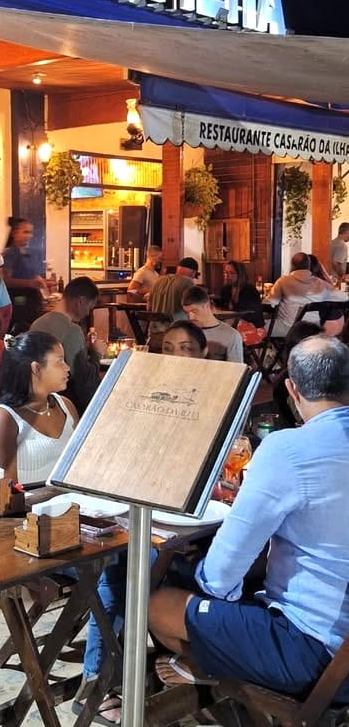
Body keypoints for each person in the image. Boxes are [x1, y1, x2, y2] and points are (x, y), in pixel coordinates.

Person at [149, 336, 349, 704]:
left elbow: (222, 573)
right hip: (334, 643)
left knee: (161, 604)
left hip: (320, 657)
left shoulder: (289, 450)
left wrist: (212, 590)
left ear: (292, 389)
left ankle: (207, 670)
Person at [73, 317, 208, 724]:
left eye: (186, 348)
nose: (176, 356)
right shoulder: (146, 397)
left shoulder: (215, 399)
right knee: (126, 568)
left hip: (195, 522)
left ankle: (191, 661)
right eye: (167, 348)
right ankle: (96, 681)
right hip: (144, 516)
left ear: (204, 354)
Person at [0, 331, 77, 485]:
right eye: (60, 361)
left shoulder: (66, 406)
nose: (67, 367)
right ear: (36, 368)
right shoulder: (3, 419)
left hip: (73, 498)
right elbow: (5, 490)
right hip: (29, 501)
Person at [29, 276, 101, 412]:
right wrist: (96, 353)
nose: (87, 313)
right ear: (81, 301)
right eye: (89, 307)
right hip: (63, 403)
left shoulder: (37, 323)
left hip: (36, 397)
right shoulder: (72, 330)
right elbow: (83, 379)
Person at [267, 251, 347, 338]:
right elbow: (344, 297)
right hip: (314, 330)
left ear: (292, 266)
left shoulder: (283, 281)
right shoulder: (320, 283)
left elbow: (270, 304)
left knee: (259, 325)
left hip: (288, 328)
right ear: (308, 266)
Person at [1, 217, 47, 332]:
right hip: (18, 301)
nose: (29, 236)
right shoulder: (10, 253)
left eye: (30, 232)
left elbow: (29, 276)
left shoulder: (27, 252)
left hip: (31, 302)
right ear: (15, 233)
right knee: (18, 332)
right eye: (25, 232)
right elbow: (5, 280)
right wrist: (30, 283)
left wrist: (46, 282)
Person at [181, 286, 244, 362]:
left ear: (207, 306)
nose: (190, 317)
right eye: (187, 313)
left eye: (194, 311)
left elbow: (236, 368)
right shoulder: (183, 332)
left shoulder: (231, 336)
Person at [216, 259, 263, 327]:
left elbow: (250, 314)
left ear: (240, 274)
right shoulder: (225, 289)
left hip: (252, 326)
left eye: (231, 273)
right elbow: (223, 308)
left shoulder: (250, 291)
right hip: (233, 326)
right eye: (225, 272)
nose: (227, 275)